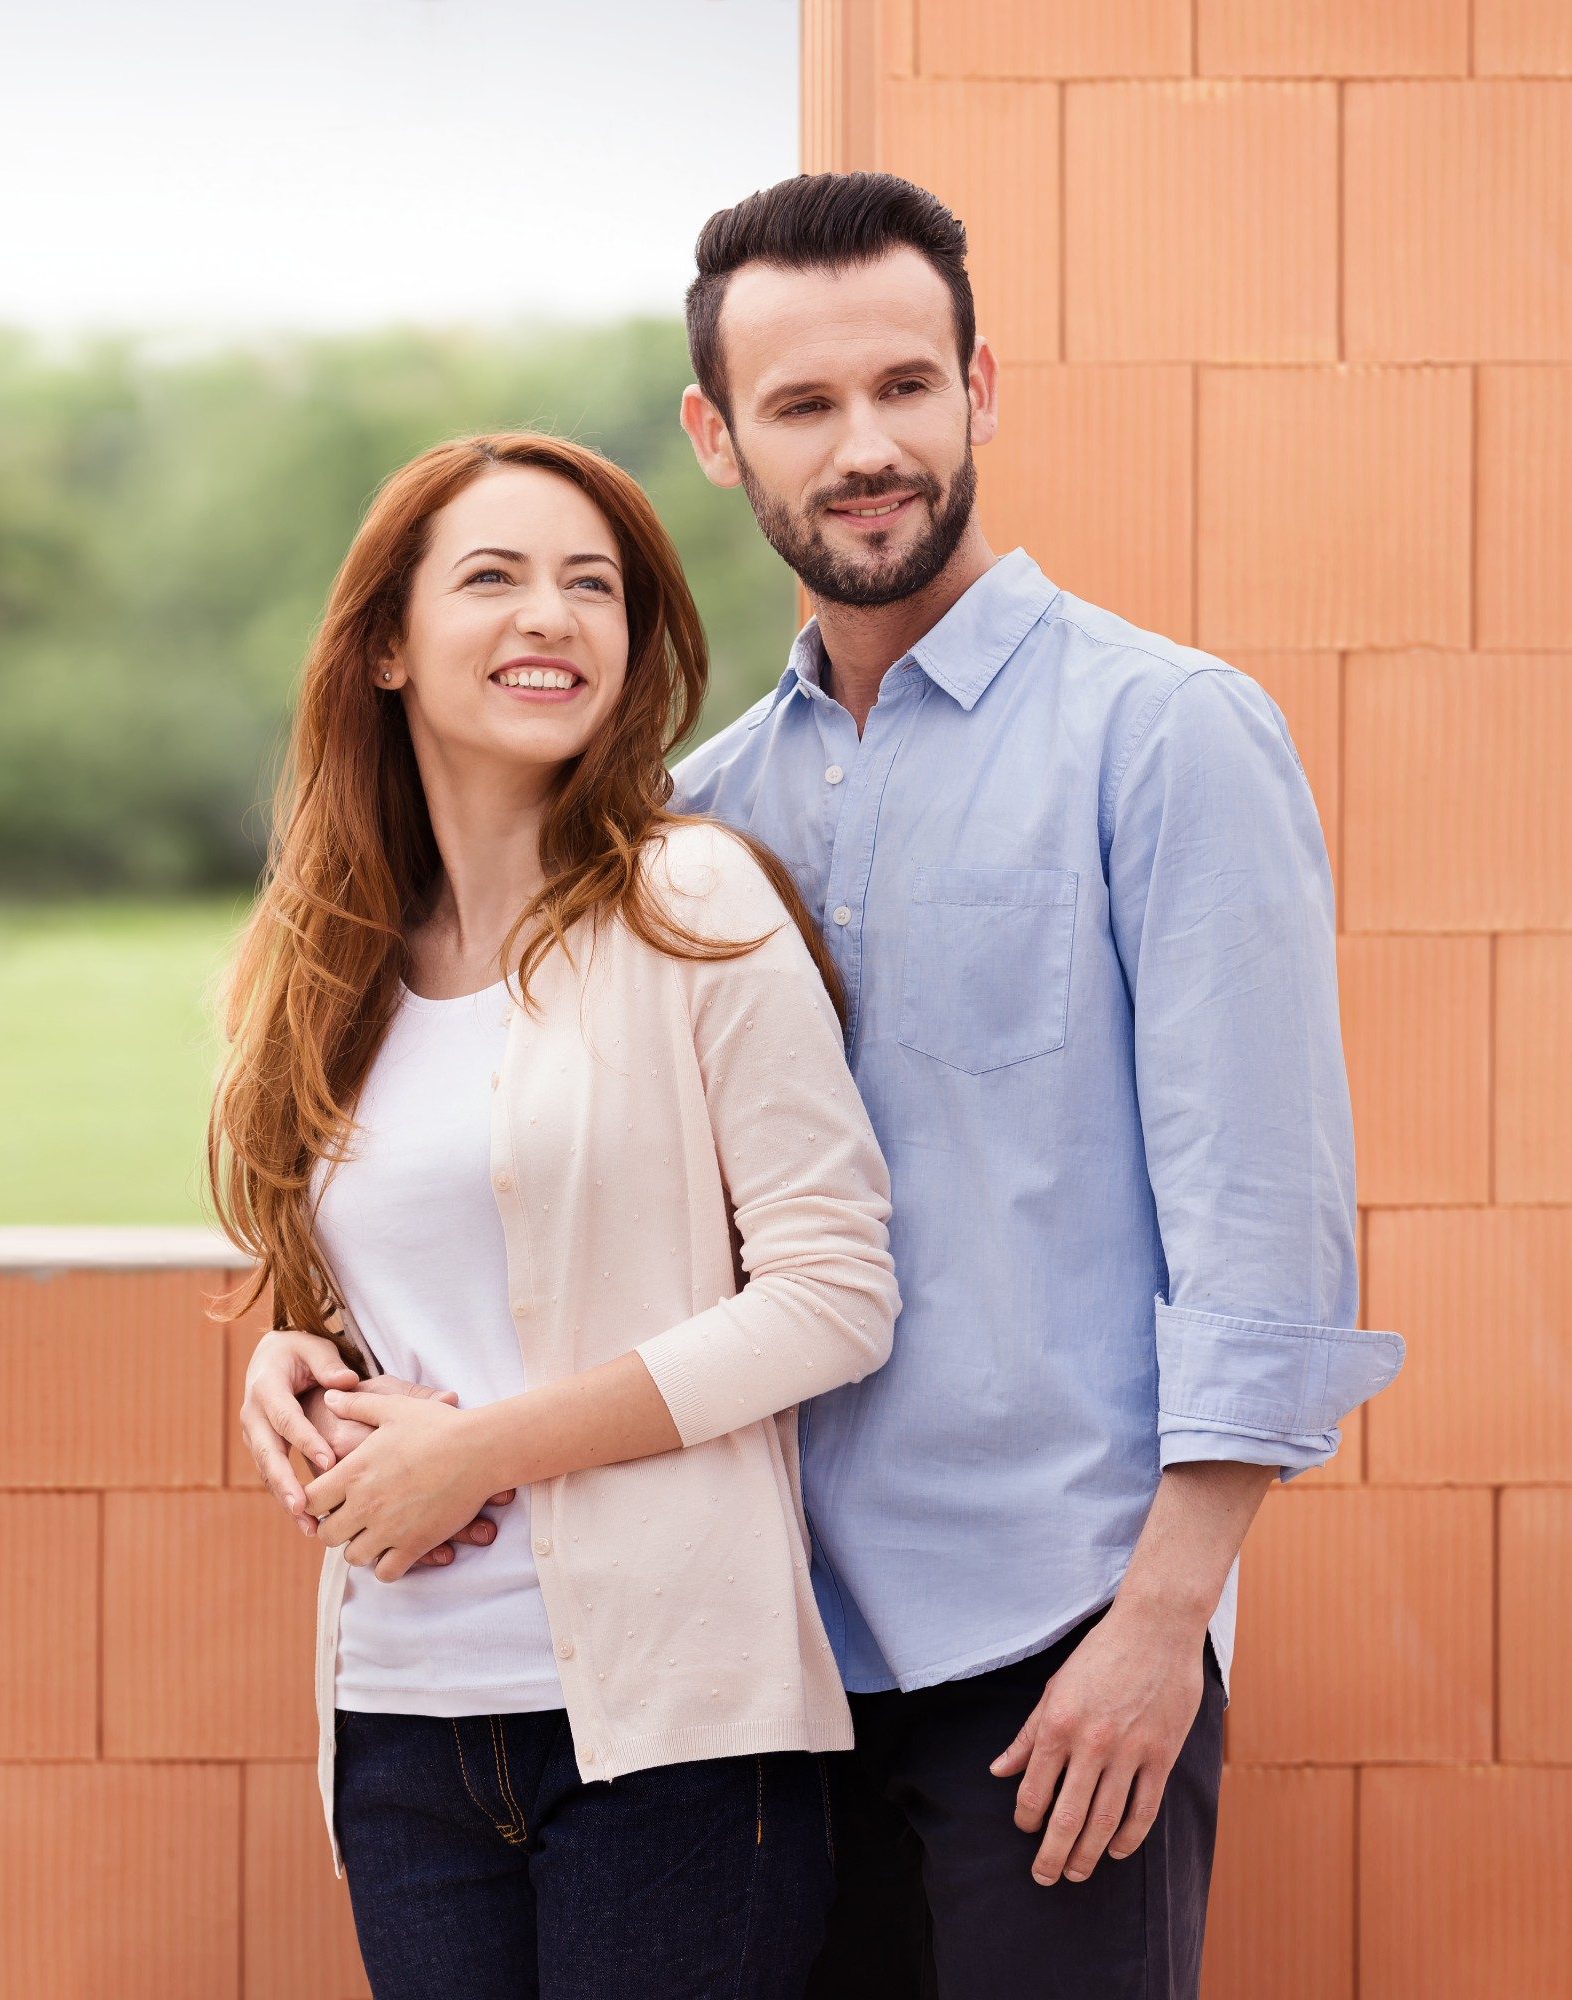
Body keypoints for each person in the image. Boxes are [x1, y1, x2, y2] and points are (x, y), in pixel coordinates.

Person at [244, 174, 1403, 2000]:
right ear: (719, 438)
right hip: (760, 1663)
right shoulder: (697, 812)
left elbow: (1263, 1219)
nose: (865, 447)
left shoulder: (1159, 734)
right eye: (801, 406)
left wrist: (1162, 1620)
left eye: (903, 388)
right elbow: (522, 1183)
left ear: (979, 390)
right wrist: (302, 1344)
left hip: (1051, 1646)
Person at [211, 429, 901, 1998]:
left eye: (593, 585)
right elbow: (392, 1285)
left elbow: (833, 1292)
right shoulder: (325, 965)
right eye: (495, 578)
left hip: (672, 1735)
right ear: (384, 643)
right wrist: (291, 1360)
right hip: (401, 1728)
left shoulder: (694, 903)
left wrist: (482, 1450)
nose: (554, 616)